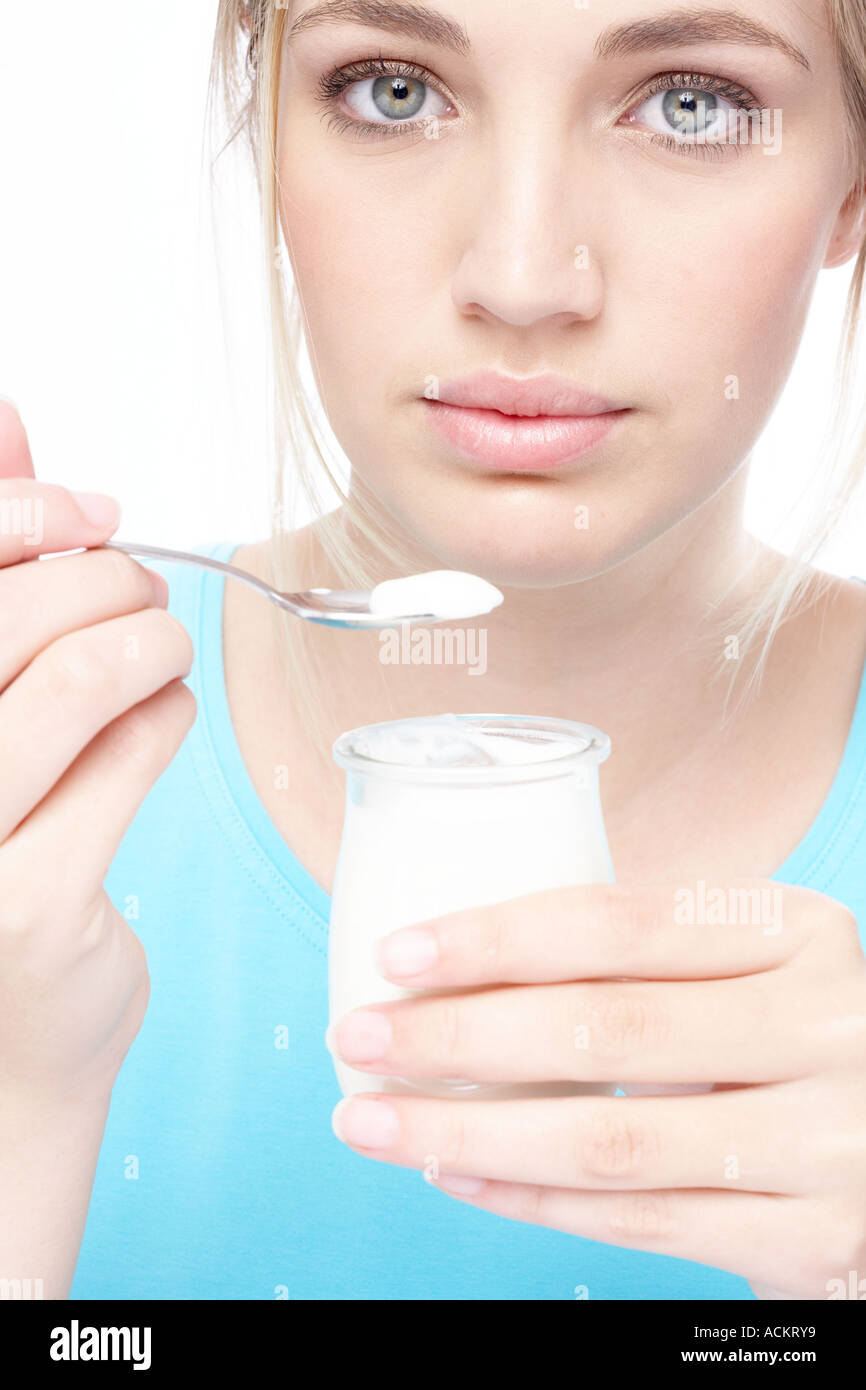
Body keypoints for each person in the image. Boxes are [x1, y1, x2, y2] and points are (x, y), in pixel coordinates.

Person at [2, 0, 866, 1300]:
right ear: (268, 131)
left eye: (690, 101)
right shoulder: (44, 767)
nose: (522, 278)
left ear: (852, 182)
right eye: (392, 89)